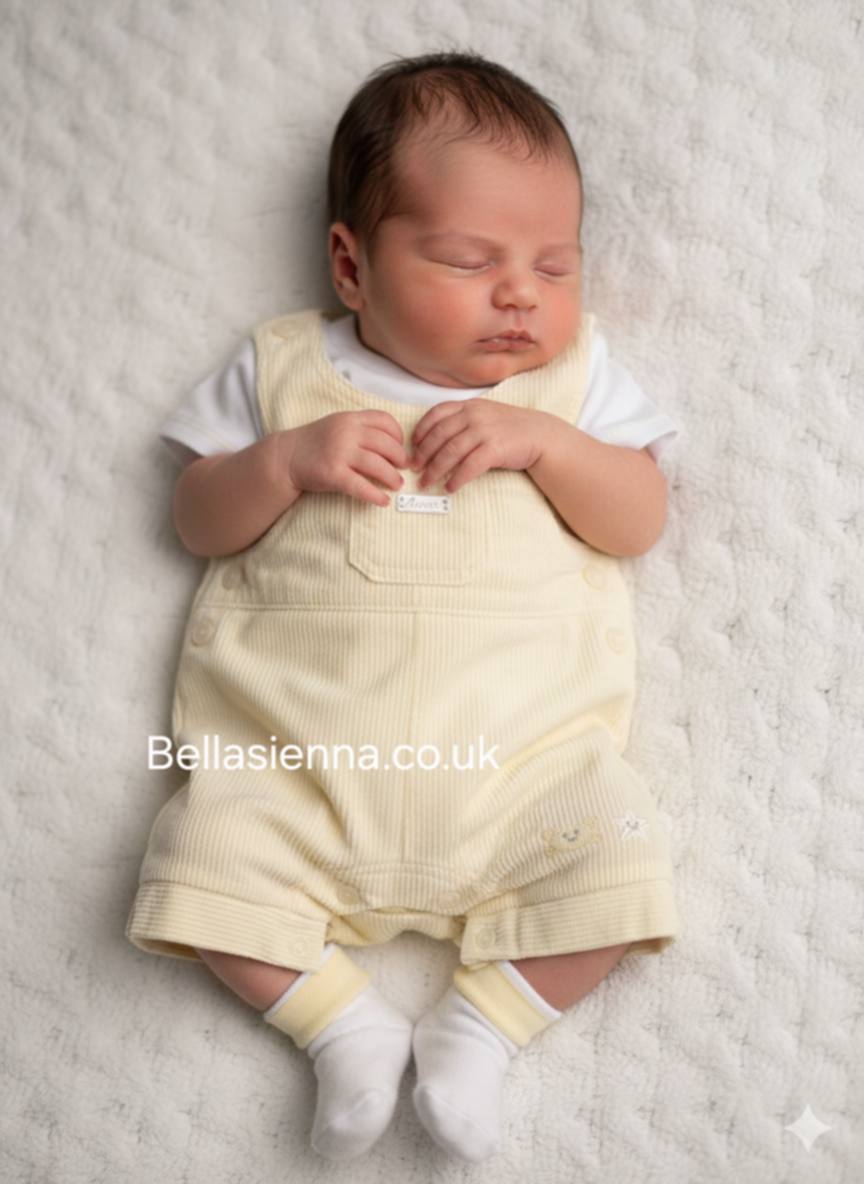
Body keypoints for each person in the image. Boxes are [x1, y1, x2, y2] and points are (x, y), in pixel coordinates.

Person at [126, 50, 682, 1163]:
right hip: (299, 768)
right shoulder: (282, 371)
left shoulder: (570, 388)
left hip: (523, 772)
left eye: (554, 264)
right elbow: (196, 517)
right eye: (470, 259)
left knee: (621, 868)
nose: (521, 292)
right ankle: (344, 1026)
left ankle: (483, 1028)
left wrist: (549, 444)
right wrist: (282, 463)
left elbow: (639, 518)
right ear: (351, 264)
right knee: (200, 865)